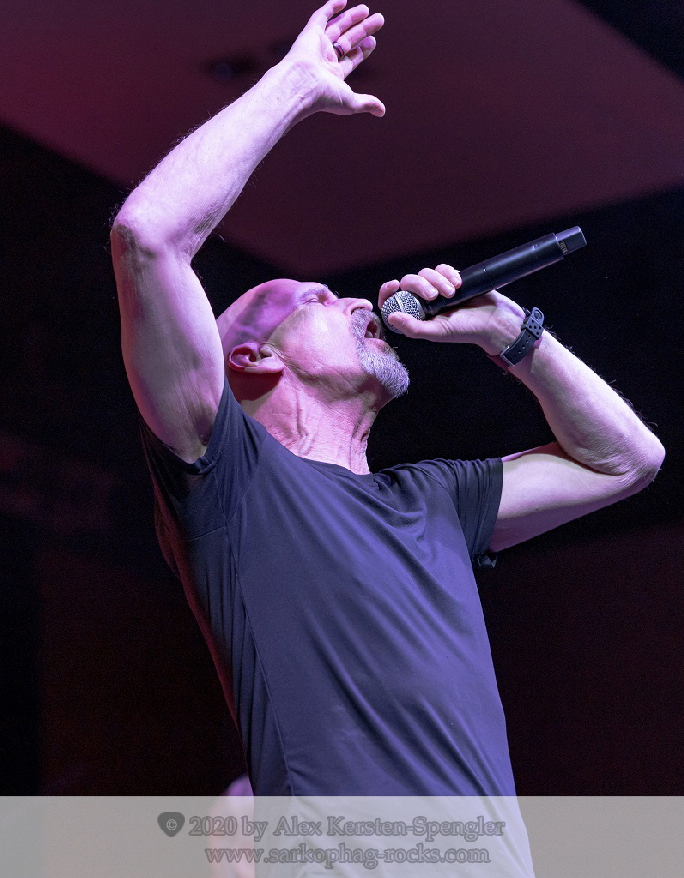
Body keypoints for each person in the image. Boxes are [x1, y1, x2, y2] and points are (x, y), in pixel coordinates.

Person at [110, 1, 664, 798]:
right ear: (252, 359)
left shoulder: (434, 499)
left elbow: (626, 461)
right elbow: (148, 237)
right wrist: (295, 84)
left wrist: (508, 332)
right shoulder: (228, 478)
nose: (355, 301)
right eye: (316, 300)